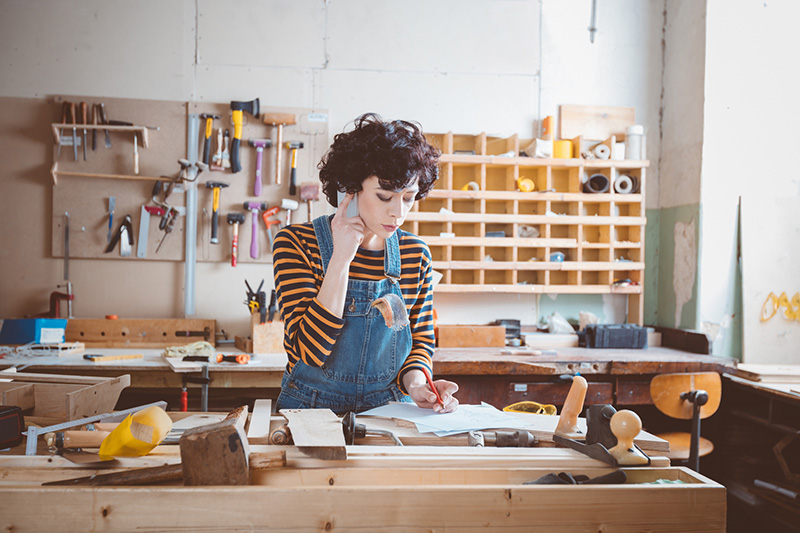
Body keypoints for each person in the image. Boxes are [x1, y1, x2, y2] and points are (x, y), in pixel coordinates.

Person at [272, 113, 459, 415]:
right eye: (384, 196)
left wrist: (417, 385)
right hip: (310, 409)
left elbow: (420, 341)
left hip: (390, 409)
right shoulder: (296, 244)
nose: (398, 213)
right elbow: (310, 351)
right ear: (350, 189)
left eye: (409, 198)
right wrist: (341, 259)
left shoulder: (416, 254)